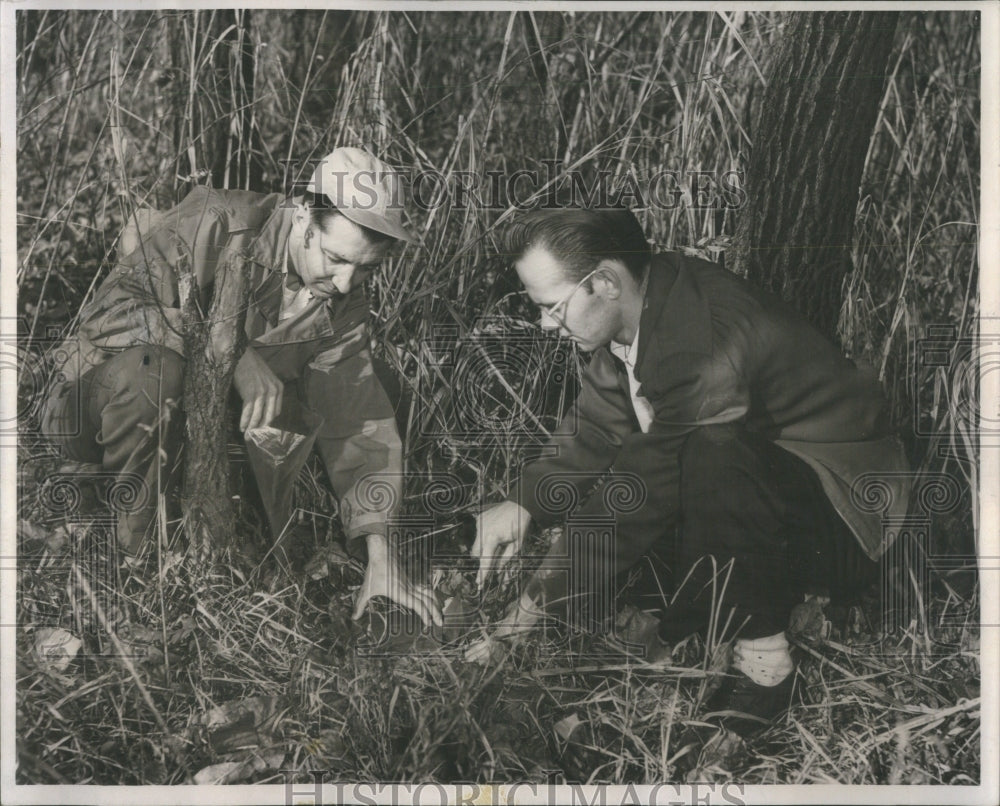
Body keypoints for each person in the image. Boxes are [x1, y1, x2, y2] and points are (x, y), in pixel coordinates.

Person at [468, 207, 909, 731]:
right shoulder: (646, 305)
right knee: (674, 501)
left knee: (710, 450)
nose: (545, 324)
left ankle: (766, 663)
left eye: (552, 306)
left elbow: (640, 492)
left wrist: (529, 611)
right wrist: (524, 501)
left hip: (849, 517)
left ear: (605, 282)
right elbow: (596, 431)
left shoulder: (698, 339)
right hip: (774, 497)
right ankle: (703, 615)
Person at [39, 146, 442, 629]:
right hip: (85, 402)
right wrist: (231, 355)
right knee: (155, 370)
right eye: (335, 258)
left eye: (368, 268)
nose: (345, 282)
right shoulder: (217, 221)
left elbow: (355, 415)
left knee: (382, 386)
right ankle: (137, 569)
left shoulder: (345, 297)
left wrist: (380, 551)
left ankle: (178, 520)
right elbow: (108, 314)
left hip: (187, 427)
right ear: (301, 216)